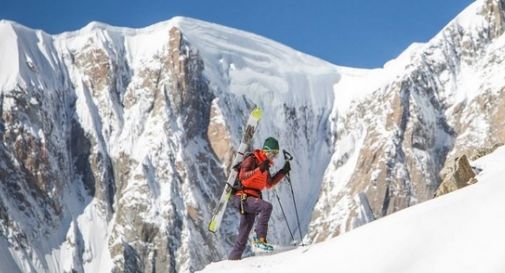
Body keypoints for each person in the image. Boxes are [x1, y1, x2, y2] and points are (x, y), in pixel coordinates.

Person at [228, 137, 291, 260]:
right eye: (273, 154)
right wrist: (259, 169)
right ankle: (260, 239)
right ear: (266, 151)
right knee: (266, 207)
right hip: (242, 197)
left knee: (243, 235)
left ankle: (232, 262)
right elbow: (243, 177)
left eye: (276, 155)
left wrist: (283, 171)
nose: (274, 157)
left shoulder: (265, 166)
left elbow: (269, 183)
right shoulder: (251, 159)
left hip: (250, 200)